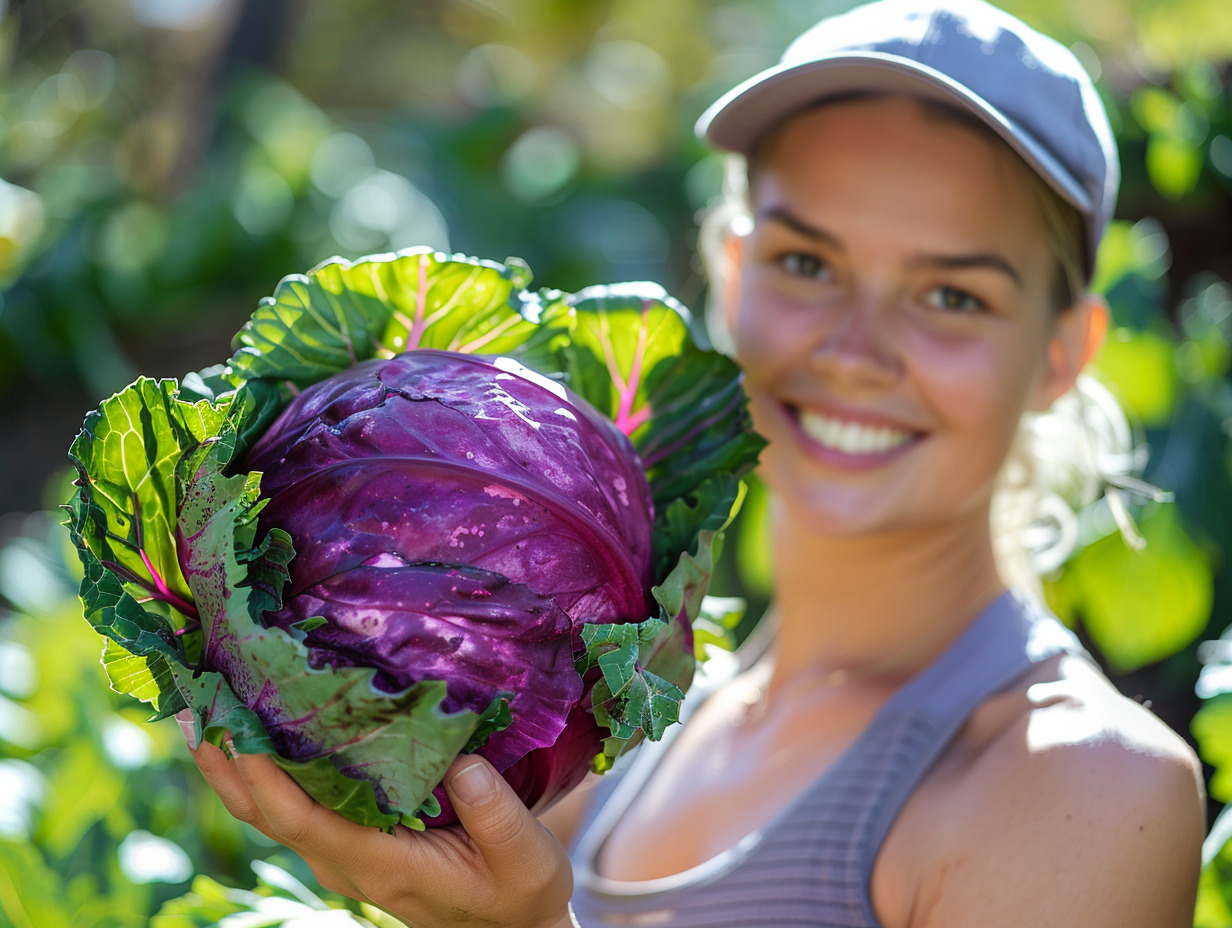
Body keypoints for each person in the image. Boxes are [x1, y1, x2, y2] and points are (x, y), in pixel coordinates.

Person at [183, 0, 1208, 925]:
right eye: (805, 263)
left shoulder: (1084, 789)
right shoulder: (625, 721)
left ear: (1062, 352)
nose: (853, 350)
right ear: (728, 266)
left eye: (951, 296)